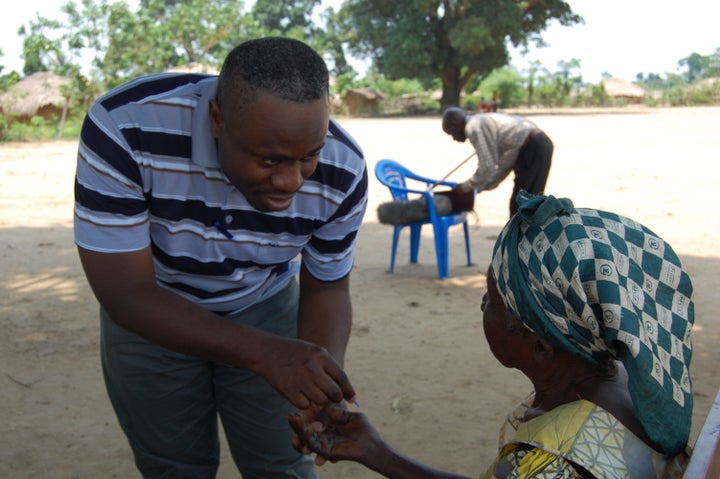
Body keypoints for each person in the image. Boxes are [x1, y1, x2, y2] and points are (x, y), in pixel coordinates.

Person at [73, 37, 368, 478]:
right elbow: (125, 291)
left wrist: (318, 386)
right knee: (174, 467)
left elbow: (326, 285)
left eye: (308, 156)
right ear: (217, 119)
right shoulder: (125, 127)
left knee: (282, 465)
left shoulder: (343, 170)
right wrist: (263, 353)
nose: (290, 182)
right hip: (151, 312)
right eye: (270, 159)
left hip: (264, 306)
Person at [289, 191, 694, 479]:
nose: (483, 306)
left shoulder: (557, 464)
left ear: (540, 345)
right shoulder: (629, 378)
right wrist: (374, 451)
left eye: (492, 299)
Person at [442, 107, 553, 218]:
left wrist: (465, 187)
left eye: (451, 133)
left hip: (534, 146)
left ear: (454, 124)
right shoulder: (479, 122)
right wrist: (478, 188)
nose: (454, 138)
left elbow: (487, 166)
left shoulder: (473, 126)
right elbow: (504, 166)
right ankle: (521, 234)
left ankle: (524, 235)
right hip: (536, 146)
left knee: (525, 206)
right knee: (521, 205)